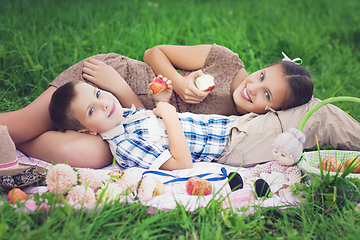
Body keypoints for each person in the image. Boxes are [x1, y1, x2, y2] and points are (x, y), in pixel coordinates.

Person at [1, 44, 359, 168]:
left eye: (268, 96)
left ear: (271, 112)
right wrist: (180, 79)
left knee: (91, 155)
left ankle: (13, 149)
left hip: (116, 120)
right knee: (20, 125)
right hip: (105, 84)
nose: (254, 89)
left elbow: (149, 123)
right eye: (262, 76)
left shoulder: (241, 120)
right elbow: (153, 54)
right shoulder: (225, 61)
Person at [49, 78, 235, 170]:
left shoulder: (125, 116)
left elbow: (160, 132)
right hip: (229, 144)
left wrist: (161, 101)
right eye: (91, 110)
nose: (104, 103)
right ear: (87, 131)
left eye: (98, 94)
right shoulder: (124, 145)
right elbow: (181, 164)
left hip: (225, 124)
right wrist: (169, 115)